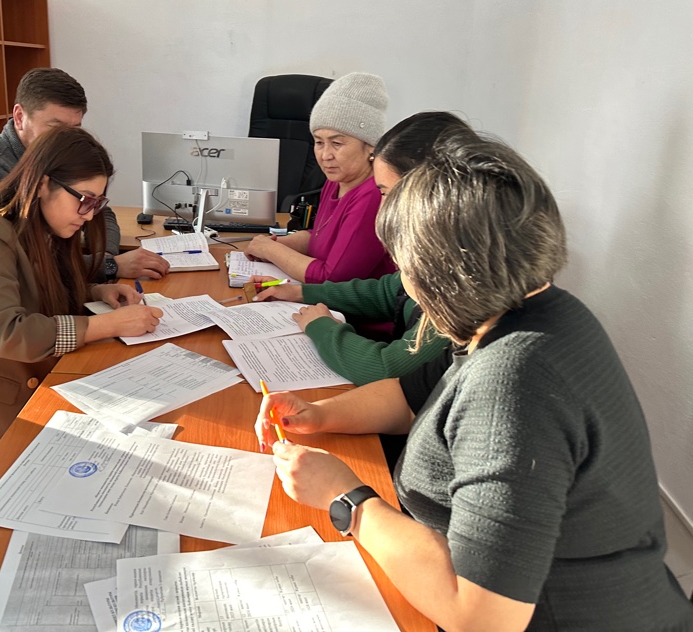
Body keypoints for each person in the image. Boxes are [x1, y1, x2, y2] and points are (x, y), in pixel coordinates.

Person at [255, 134, 693, 631]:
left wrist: (348, 500)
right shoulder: (529, 307)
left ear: (439, 275)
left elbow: (484, 617)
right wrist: (318, 413)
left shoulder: (514, 383)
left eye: (405, 268)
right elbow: (410, 396)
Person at [0, 126, 163, 462]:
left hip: (21, 383)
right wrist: (109, 324)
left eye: (97, 203)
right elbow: (7, 333)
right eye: (84, 200)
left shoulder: (40, 228)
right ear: (44, 184)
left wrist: (96, 290)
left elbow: (35, 291)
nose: (90, 214)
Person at [253, 112, 470, 383]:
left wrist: (322, 327)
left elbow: (385, 369)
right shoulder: (439, 253)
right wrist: (300, 292)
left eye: (386, 193)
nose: (382, 207)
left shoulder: (465, 280)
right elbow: (388, 291)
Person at [0, 67, 169, 281]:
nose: (66, 139)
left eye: (75, 129)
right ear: (20, 117)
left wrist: (106, 257)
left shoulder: (56, 156)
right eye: (55, 128)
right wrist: (109, 267)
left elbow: (101, 213)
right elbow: (19, 263)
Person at [243, 72, 395, 284]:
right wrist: (280, 244)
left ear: (370, 146)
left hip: (351, 305)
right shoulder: (335, 181)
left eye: (337, 143)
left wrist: (271, 250)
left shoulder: (374, 195)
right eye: (319, 142)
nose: (325, 156)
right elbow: (321, 237)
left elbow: (332, 278)